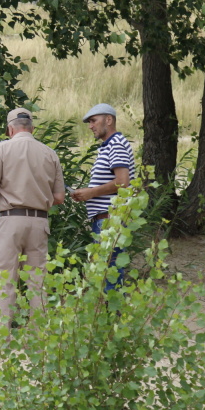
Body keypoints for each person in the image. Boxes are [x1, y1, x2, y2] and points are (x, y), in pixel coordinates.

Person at [0, 108, 66, 325]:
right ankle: (40, 340)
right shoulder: (50, 153)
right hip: (39, 222)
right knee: (38, 283)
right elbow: (59, 197)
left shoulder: (1, 149)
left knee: (4, 281)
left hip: (9, 220)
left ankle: (2, 338)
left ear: (10, 129)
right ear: (32, 129)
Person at [70, 103, 136, 291]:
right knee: (105, 272)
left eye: (93, 121)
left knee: (110, 273)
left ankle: (111, 317)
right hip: (106, 219)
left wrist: (90, 193)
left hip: (110, 220)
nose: (90, 126)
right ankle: (107, 315)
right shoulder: (108, 146)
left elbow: (123, 182)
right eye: (89, 122)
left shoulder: (116, 143)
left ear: (109, 120)